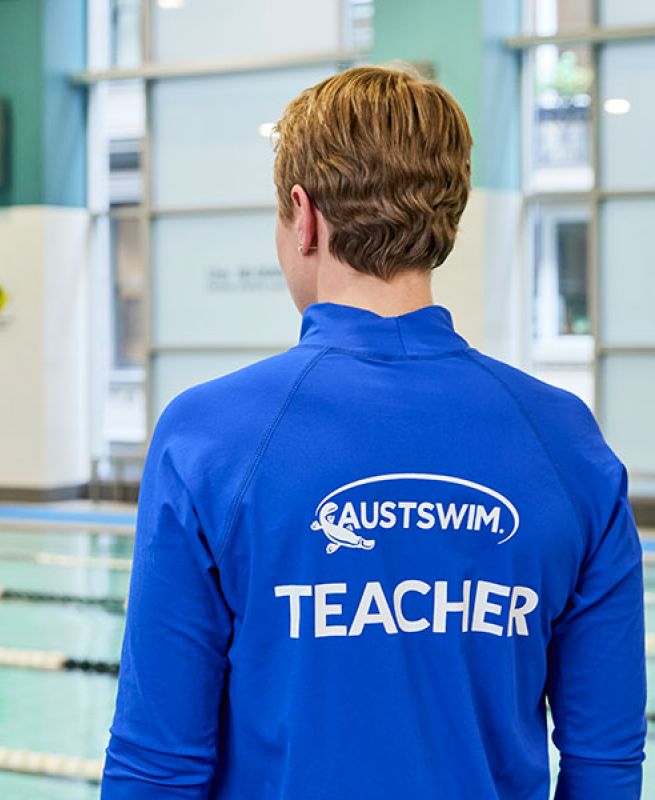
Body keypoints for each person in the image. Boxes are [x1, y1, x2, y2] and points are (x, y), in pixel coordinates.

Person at [102, 65, 645, 799]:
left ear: (303, 216)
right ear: (445, 219)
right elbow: (604, 761)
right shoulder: (565, 442)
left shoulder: (207, 437)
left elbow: (157, 764)